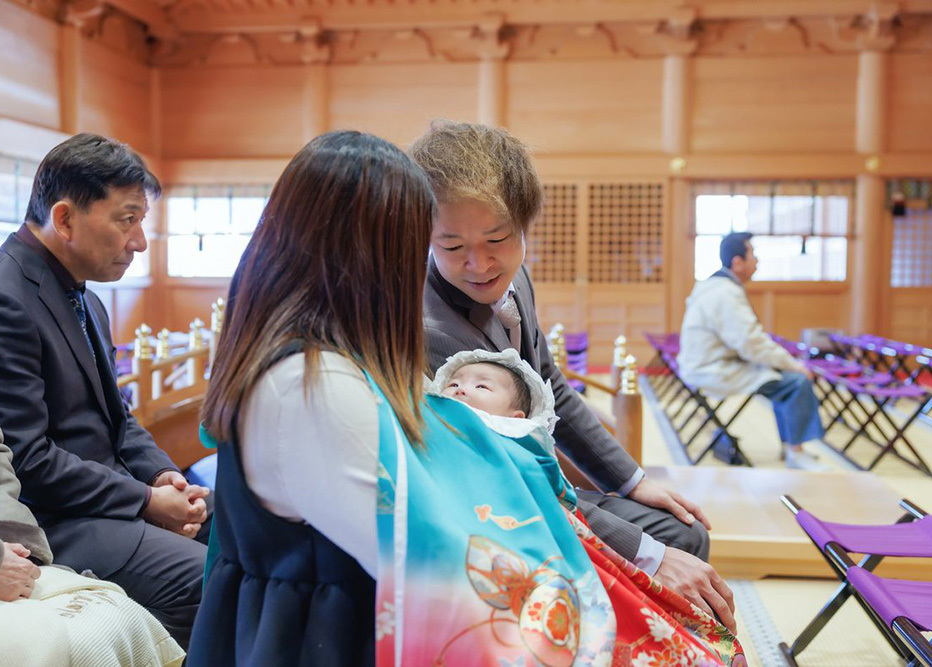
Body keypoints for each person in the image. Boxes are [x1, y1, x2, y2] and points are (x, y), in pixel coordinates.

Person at [190, 130, 743, 666]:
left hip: (436, 546)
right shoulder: (317, 383)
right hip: (338, 618)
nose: (461, 264)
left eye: (494, 241)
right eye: (435, 245)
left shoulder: (331, 354)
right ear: (365, 257)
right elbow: (432, 554)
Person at [411, 119, 735, 628]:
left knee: (684, 530)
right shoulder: (431, 328)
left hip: (533, 481)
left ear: (523, 226)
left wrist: (632, 481)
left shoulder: (517, 280)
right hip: (497, 508)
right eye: (452, 247)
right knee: (671, 545)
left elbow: (550, 387)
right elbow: (500, 474)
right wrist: (648, 555)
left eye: (497, 238)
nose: (479, 263)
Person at [0, 133, 209, 649]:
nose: (140, 241)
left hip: (107, 502)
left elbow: (120, 419)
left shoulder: (85, 295)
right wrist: (145, 501)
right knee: (208, 578)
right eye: (127, 220)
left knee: (249, 535)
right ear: (65, 218)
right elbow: (25, 459)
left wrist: (163, 476)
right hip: (54, 519)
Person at [0, 284, 183, 667]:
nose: (137, 250)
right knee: (83, 641)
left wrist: (9, 539)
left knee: (120, 616)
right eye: (127, 224)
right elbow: (33, 458)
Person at [677, 232, 826, 471]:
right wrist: (794, 364)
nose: (757, 261)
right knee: (796, 382)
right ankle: (796, 452)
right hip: (713, 369)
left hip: (706, 364)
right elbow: (751, 343)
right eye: (753, 255)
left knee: (781, 378)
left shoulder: (713, 286)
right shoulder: (724, 292)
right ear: (738, 262)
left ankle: (791, 447)